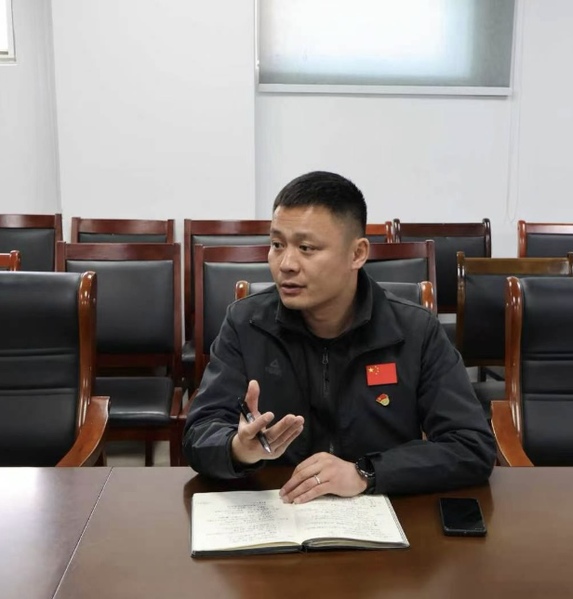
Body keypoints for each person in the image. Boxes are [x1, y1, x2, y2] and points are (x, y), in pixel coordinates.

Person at [183, 171, 495, 503]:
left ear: (357, 254)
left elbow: (471, 446)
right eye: (277, 245)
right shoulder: (246, 323)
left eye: (306, 248)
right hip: (278, 508)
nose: (286, 264)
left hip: (381, 512)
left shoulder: (415, 331)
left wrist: (366, 473)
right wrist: (237, 449)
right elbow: (199, 434)